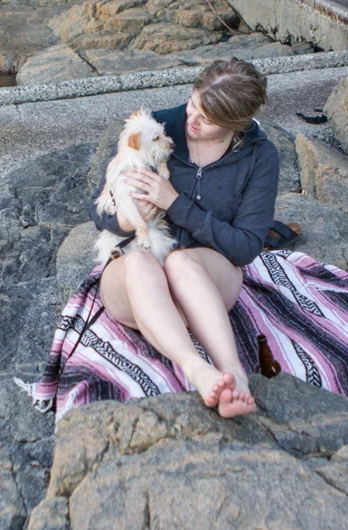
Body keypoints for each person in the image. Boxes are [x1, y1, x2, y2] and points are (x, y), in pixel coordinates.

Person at [91, 58, 279, 418]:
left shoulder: (260, 156)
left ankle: (235, 374)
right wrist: (127, 220)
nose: (191, 121)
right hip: (136, 281)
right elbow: (98, 209)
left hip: (205, 281)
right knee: (140, 263)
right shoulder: (154, 129)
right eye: (193, 104)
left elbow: (245, 247)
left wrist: (175, 204)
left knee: (180, 261)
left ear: (236, 124)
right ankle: (198, 370)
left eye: (207, 119)